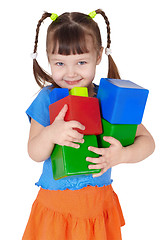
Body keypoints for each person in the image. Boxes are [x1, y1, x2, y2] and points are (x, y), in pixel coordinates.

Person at [22, 9, 155, 240]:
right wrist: (51, 134)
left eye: (81, 62)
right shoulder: (46, 98)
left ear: (99, 55)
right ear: (48, 58)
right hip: (56, 208)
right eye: (60, 63)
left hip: (98, 207)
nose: (70, 73)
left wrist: (121, 155)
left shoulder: (108, 97)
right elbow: (34, 152)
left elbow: (148, 142)